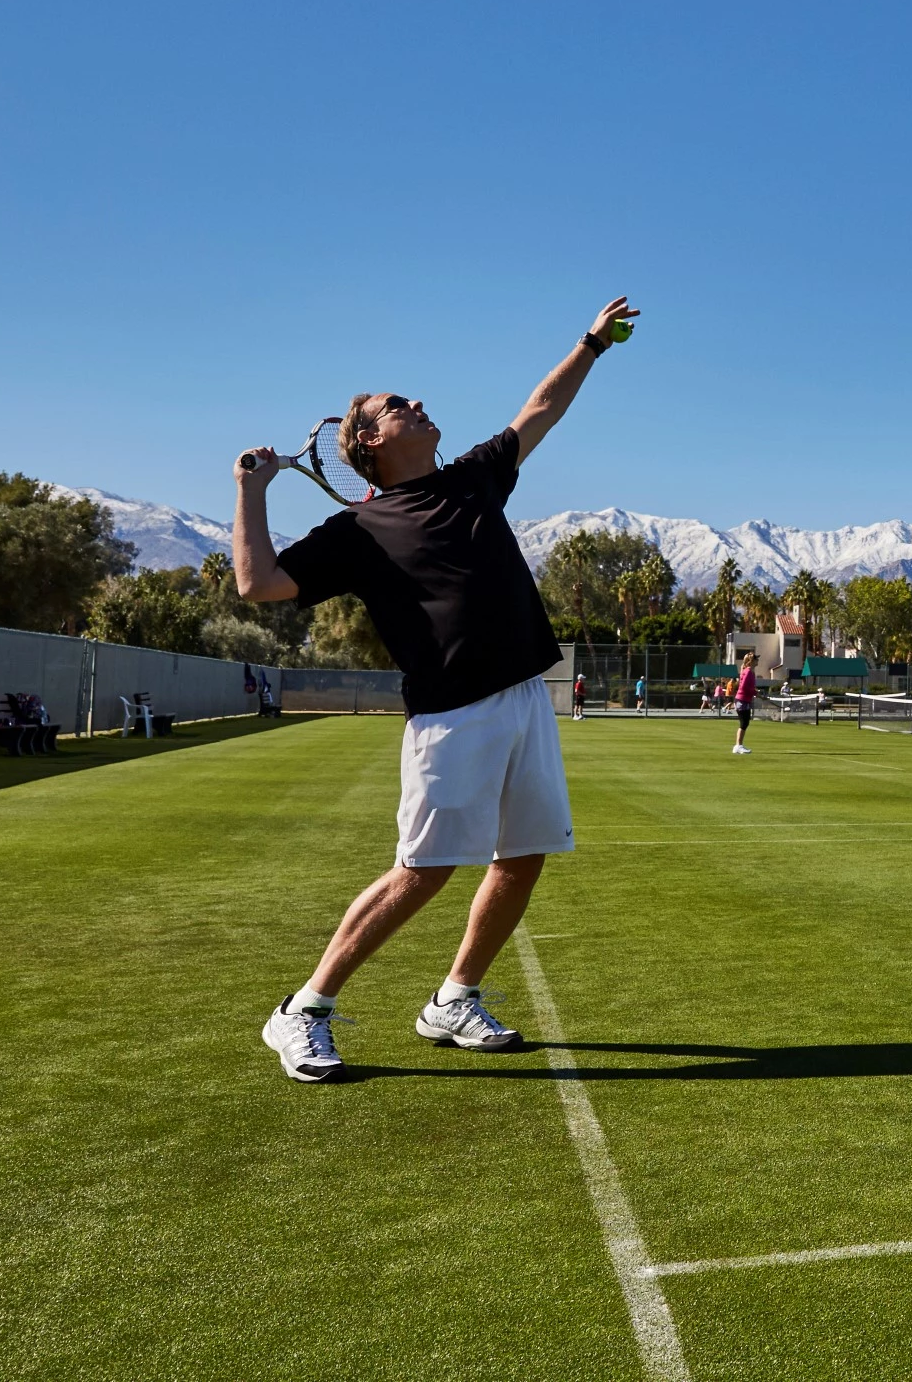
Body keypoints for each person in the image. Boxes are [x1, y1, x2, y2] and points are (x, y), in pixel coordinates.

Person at [234, 295, 638, 1084]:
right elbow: (257, 584)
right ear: (370, 442)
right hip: (452, 719)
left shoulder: (474, 478)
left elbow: (541, 407)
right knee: (422, 871)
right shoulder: (358, 530)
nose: (418, 404)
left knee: (522, 858)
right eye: (399, 405)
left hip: (525, 698)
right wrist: (250, 487)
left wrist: (592, 342)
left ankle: (454, 997)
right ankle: (302, 1010)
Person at [731, 650, 759, 754]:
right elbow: (744, 687)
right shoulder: (747, 672)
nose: (758, 660)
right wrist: (756, 693)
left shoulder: (750, 672)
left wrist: (755, 692)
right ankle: (738, 746)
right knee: (744, 723)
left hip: (745, 700)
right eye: (756, 659)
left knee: (745, 723)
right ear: (751, 661)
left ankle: (738, 745)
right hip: (742, 700)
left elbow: (749, 687)